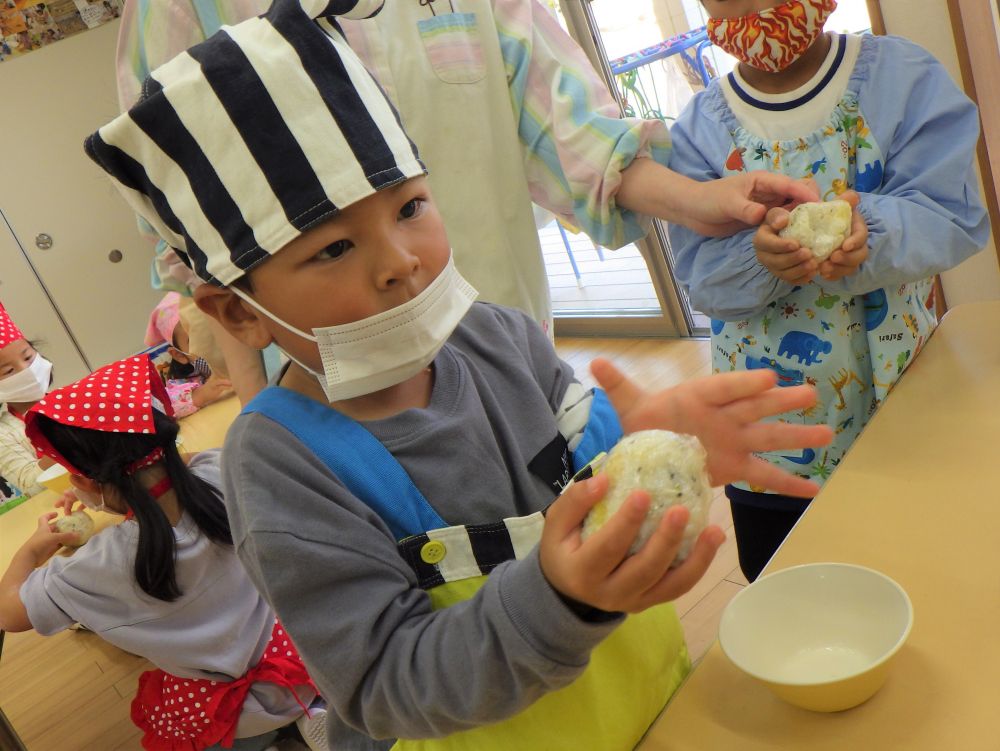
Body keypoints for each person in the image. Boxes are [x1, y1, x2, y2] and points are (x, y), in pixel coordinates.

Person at [85, 4, 833, 747]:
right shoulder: (279, 464)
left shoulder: (498, 336)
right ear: (239, 313)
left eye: (411, 205)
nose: (399, 261)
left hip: (649, 706)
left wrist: (649, 431)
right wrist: (558, 596)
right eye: (333, 249)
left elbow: (584, 456)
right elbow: (382, 685)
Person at [115, 0, 820, 406]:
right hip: (332, 389)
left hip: (505, 346)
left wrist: (699, 199)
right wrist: (260, 413)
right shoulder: (184, 7)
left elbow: (575, 132)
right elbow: (197, 235)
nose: (398, 263)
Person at [666, 0, 990, 581]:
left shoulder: (902, 79)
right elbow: (701, 279)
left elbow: (953, 216)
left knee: (922, 574)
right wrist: (757, 257)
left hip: (903, 412)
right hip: (770, 441)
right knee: (792, 587)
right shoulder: (698, 131)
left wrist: (877, 231)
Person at [0, 354, 329, 751]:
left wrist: (35, 547)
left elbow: (9, 611)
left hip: (226, 710)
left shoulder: (97, 567)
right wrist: (128, 480)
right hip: (297, 657)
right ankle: (312, 716)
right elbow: (177, 466)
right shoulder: (224, 472)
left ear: (85, 482)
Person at [145, 292, 234, 417]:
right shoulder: (184, 383)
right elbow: (166, 407)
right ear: (179, 355)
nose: (210, 342)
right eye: (195, 339)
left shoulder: (242, 345)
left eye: (212, 331)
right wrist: (200, 394)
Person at [0, 300, 54, 498]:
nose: (27, 371)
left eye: (28, 358)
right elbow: (31, 485)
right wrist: (66, 440)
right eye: (9, 370)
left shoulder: (69, 400)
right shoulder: (3, 434)